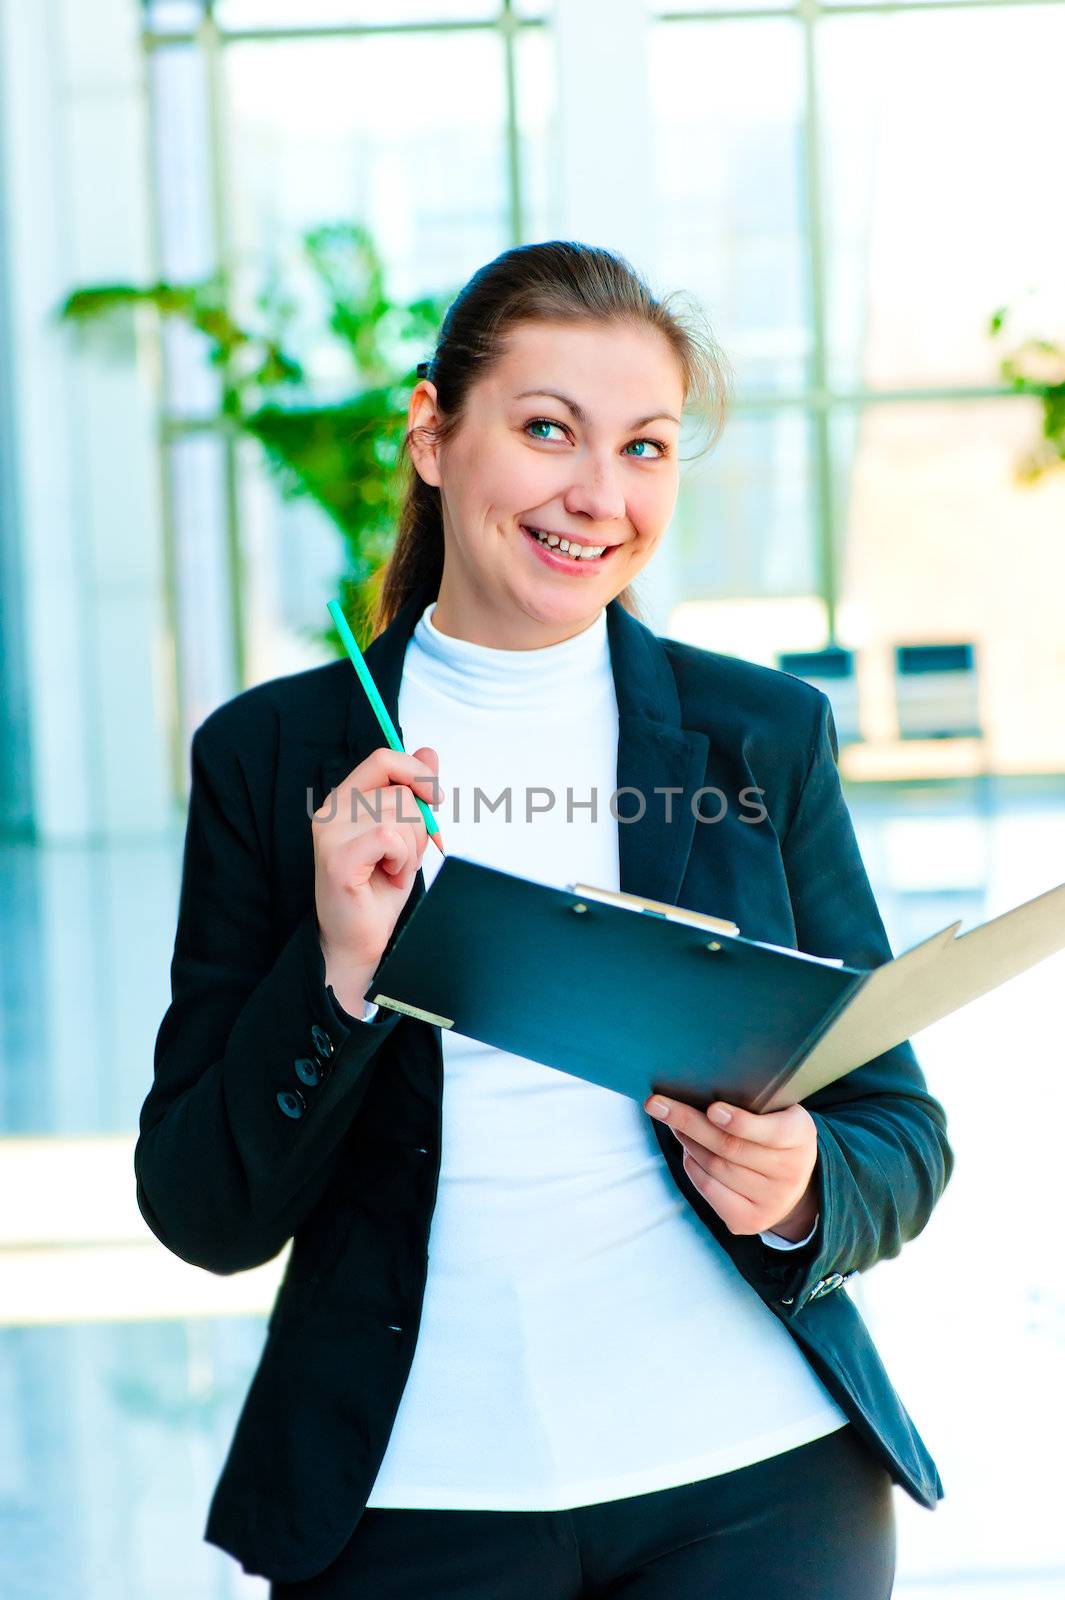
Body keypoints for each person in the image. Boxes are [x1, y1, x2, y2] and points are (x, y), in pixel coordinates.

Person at [135, 240, 954, 1599]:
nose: (597, 495)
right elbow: (202, 1213)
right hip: (409, 1505)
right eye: (543, 431)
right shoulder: (272, 760)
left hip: (757, 1481)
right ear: (431, 434)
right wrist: (339, 975)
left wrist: (804, 1184)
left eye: (643, 448)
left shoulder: (762, 738)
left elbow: (900, 1135)